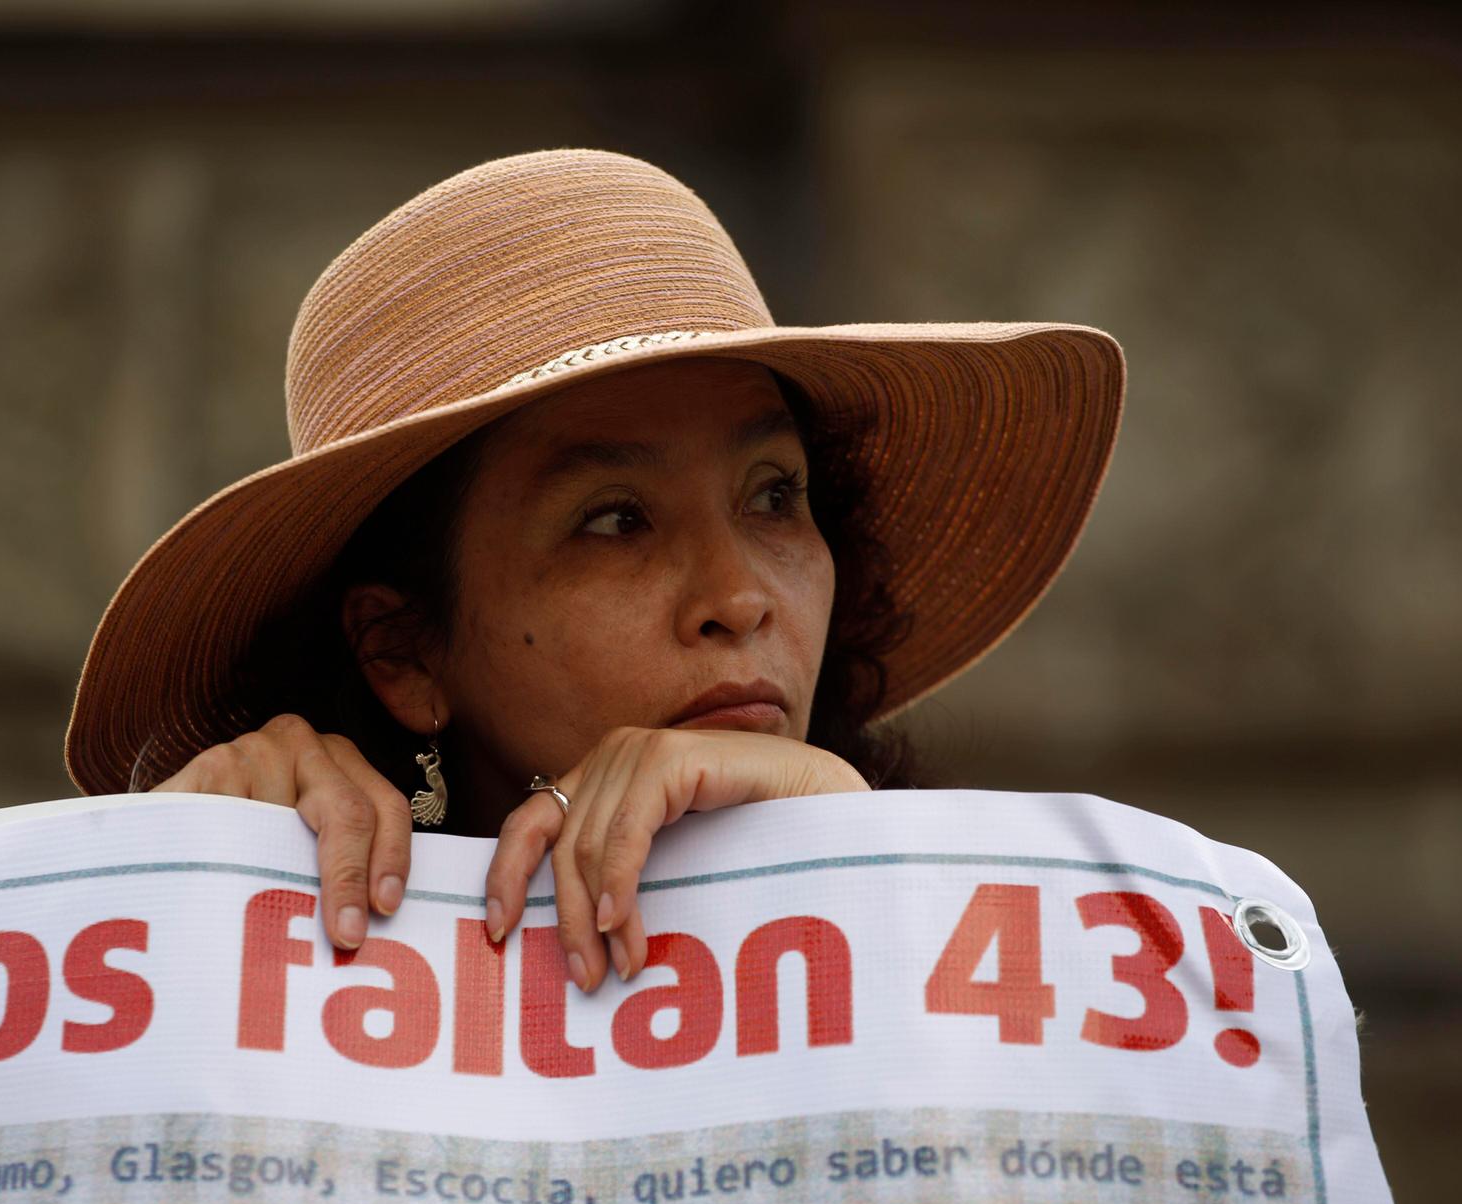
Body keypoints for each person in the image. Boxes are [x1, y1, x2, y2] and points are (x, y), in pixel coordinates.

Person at [62, 147, 1125, 997]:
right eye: (615, 519)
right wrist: (173, 908)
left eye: (774, 494)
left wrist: (859, 859)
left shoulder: (1060, 960)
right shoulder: (264, 940)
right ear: (401, 648)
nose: (739, 597)